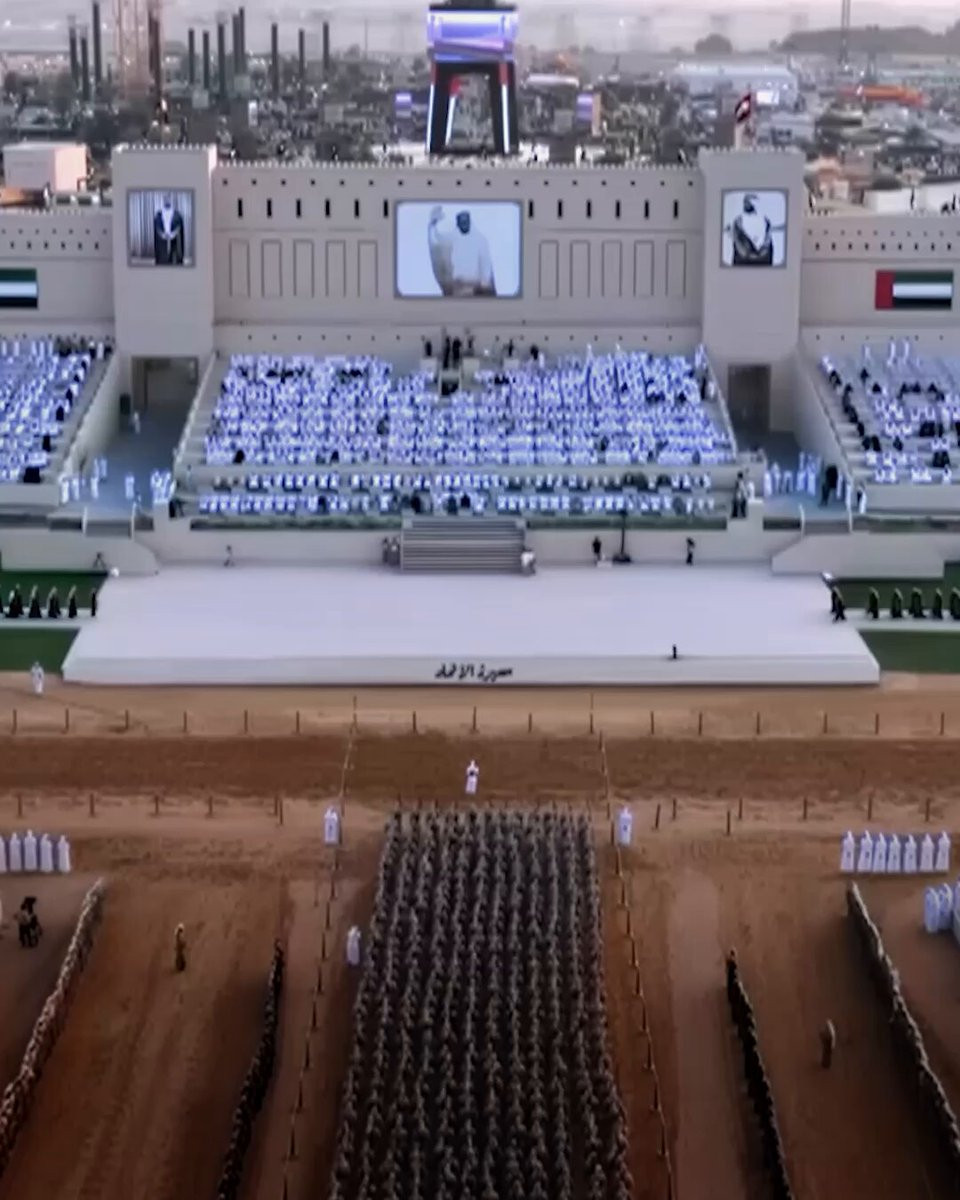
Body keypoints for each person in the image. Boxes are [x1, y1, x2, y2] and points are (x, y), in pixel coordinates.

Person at [428, 206, 496, 297]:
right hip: (457, 288)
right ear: (458, 223)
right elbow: (437, 240)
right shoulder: (452, 238)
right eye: (462, 222)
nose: (464, 224)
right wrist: (433, 224)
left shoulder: (480, 240)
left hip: (477, 289)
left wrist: (485, 283)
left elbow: (486, 264)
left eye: (465, 222)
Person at [728, 193, 777, 266]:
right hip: (751, 261)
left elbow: (767, 241)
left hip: (749, 261)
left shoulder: (738, 221)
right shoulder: (738, 221)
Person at [153, 193, 186, 265]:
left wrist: (173, 234)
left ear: (171, 200)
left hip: (174, 243)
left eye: (168, 198)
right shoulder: (158, 215)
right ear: (163, 200)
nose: (167, 200)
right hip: (162, 244)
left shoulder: (177, 215)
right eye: (165, 198)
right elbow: (156, 228)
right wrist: (162, 235)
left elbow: (180, 229)